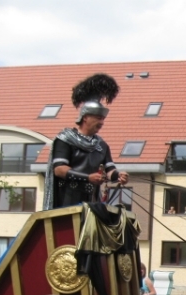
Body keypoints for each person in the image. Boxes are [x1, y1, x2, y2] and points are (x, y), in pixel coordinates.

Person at [43, 73, 129, 210]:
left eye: (103, 119)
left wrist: (119, 175)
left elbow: (109, 170)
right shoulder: (65, 139)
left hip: (92, 203)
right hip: (66, 203)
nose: (101, 122)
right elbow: (59, 169)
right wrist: (88, 177)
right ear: (85, 118)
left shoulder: (101, 145)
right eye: (98, 118)